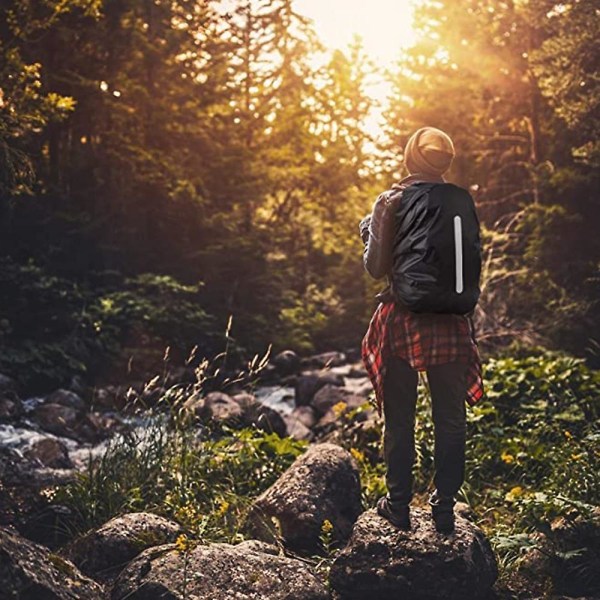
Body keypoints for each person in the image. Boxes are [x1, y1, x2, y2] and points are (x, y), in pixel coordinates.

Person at [359, 126, 485, 534]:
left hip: (403, 320)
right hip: (451, 322)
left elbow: (375, 267)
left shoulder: (390, 200)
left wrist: (369, 235)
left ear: (411, 157)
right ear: (444, 162)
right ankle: (444, 507)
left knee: (400, 419)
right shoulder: (460, 200)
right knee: (451, 419)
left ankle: (397, 506)